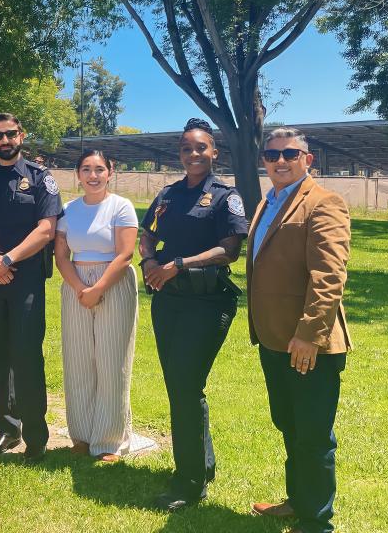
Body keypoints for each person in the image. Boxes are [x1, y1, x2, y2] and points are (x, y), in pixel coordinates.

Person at [139, 118, 249, 511]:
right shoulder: (168, 195)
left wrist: (178, 264)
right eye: (186, 148)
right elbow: (147, 231)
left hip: (207, 303)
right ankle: (202, 464)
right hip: (168, 301)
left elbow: (230, 250)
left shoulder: (224, 196)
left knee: (186, 386)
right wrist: (151, 260)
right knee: (178, 386)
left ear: (214, 152)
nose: (193, 154)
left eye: (200, 147)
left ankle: (188, 482)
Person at [247, 127, 351, 533]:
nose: (280, 160)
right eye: (271, 154)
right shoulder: (268, 202)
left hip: (308, 343)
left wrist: (309, 334)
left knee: (313, 434)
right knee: (288, 424)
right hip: (273, 338)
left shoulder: (325, 203)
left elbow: (329, 275)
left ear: (308, 159)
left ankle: (317, 521)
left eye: (290, 153)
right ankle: (299, 501)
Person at [0, 112, 63, 462]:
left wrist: (8, 260)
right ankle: (6, 429)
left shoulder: (39, 178)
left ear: (21, 135)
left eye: (9, 134)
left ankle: (36, 436)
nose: (4, 141)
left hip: (26, 280)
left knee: (26, 355)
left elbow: (46, 229)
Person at [54, 149, 139, 462]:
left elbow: (126, 253)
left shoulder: (121, 207)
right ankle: (81, 434)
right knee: (78, 361)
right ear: (78, 174)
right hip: (76, 283)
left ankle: (107, 439)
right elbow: (61, 255)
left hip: (113, 283)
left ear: (110, 171)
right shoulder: (68, 210)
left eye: (99, 169)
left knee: (111, 361)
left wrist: (99, 287)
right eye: (86, 169)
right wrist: (80, 288)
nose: (93, 176)